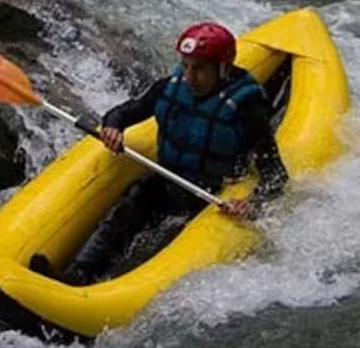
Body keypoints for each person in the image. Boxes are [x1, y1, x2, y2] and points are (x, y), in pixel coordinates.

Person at [64, 21, 289, 284]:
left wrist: (252, 203)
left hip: (213, 192)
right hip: (170, 180)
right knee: (131, 204)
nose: (190, 76)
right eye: (186, 65)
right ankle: (79, 274)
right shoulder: (169, 87)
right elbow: (124, 112)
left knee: (171, 240)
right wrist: (113, 127)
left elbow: (276, 175)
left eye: (200, 68)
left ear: (223, 67)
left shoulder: (248, 109)